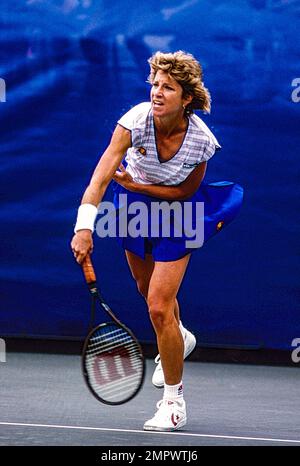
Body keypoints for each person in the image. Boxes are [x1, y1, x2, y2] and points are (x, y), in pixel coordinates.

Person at [71, 50, 242, 432]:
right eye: (155, 84)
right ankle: (179, 338)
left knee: (158, 307)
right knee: (144, 287)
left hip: (178, 212)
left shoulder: (201, 142)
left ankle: (173, 401)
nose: (157, 92)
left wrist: (140, 184)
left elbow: (184, 191)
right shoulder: (133, 122)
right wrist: (85, 225)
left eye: (168, 87)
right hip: (132, 206)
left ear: (187, 98)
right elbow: (101, 177)